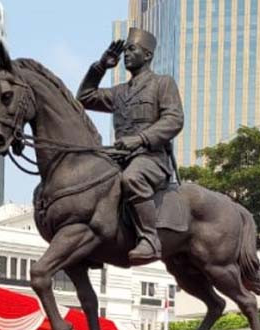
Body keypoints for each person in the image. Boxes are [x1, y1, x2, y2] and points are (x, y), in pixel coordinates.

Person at [77, 28, 184, 264]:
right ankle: (90, 244)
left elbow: (174, 119)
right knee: (86, 179)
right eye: (124, 50)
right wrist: (101, 67)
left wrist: (141, 139)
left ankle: (149, 239)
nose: (126, 54)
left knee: (132, 179)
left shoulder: (162, 83)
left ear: (147, 56)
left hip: (151, 158)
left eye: (132, 49)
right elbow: (84, 98)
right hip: (119, 157)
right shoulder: (119, 92)